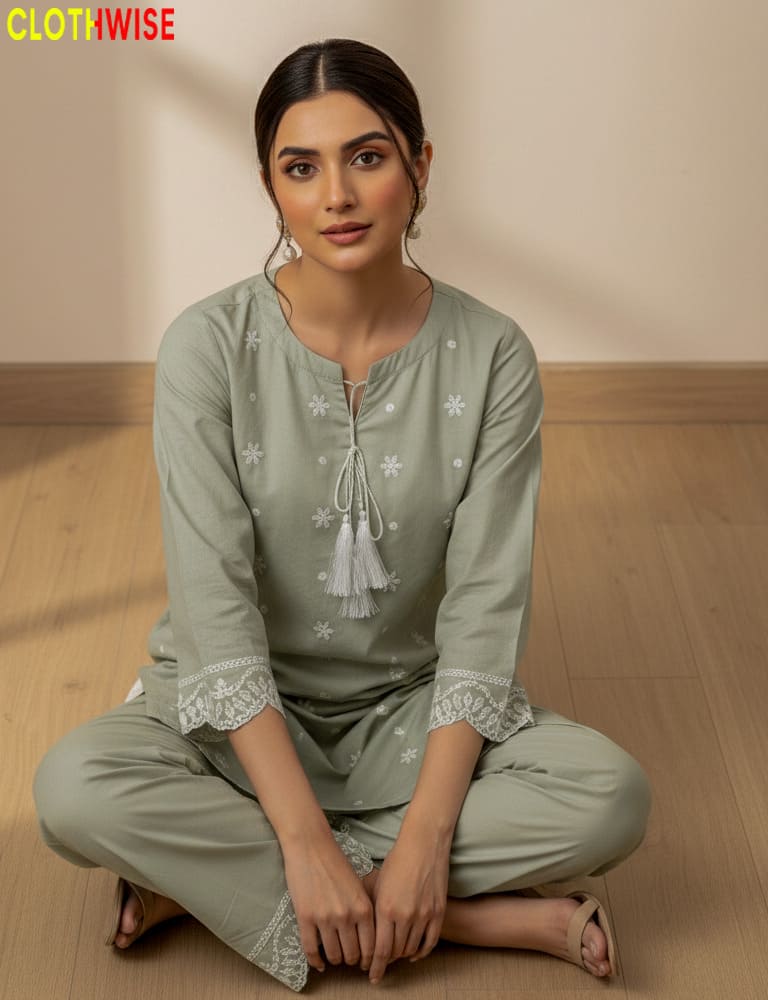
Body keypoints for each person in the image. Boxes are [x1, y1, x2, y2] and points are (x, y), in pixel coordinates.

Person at [33, 38, 651, 993]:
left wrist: (426, 836)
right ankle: (456, 915)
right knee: (73, 792)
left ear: (419, 167)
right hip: (236, 725)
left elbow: (485, 617)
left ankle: (212, 891)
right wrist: (302, 837)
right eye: (300, 167)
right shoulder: (207, 347)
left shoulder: (493, 356)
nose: (337, 196)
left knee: (610, 799)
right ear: (270, 187)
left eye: (366, 156)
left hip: (412, 711)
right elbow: (214, 609)